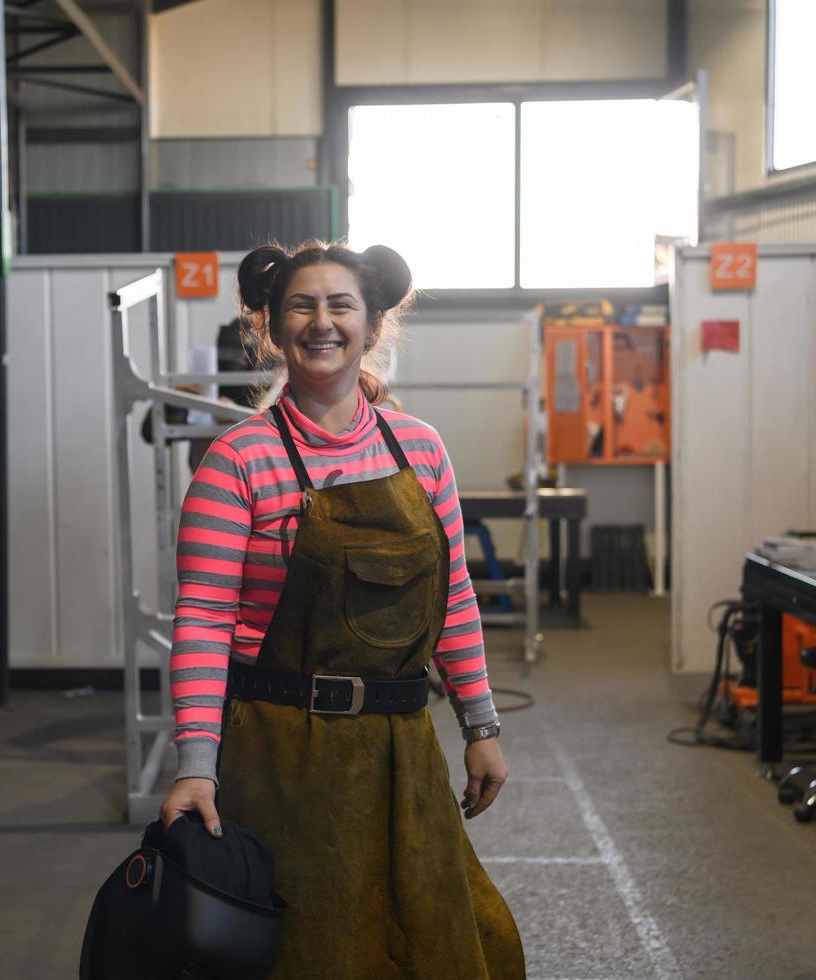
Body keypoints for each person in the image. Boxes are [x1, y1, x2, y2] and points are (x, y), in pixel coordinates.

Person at [159, 241, 525, 978]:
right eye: (300, 305)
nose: (320, 322)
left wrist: (480, 725)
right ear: (270, 325)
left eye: (340, 305)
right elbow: (201, 620)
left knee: (430, 942)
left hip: (400, 751)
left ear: (372, 323)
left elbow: (452, 595)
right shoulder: (238, 461)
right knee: (307, 952)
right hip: (281, 755)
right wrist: (196, 765)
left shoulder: (419, 449)